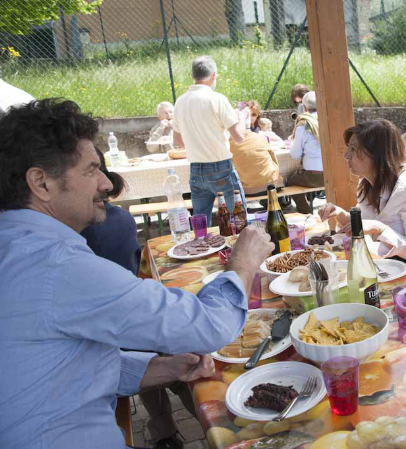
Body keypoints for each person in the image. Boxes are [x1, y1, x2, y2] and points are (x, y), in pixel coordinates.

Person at [0, 98, 275, 449]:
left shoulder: (16, 246)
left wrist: (162, 369)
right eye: (91, 170)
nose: (106, 183)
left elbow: (61, 365)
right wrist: (243, 263)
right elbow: (208, 328)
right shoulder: (54, 264)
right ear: (41, 183)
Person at [81, 150, 194, 449]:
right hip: (126, 332)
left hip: (119, 332)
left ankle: (166, 430)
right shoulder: (117, 220)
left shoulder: (87, 230)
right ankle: (187, 422)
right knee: (167, 358)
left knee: (161, 361)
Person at [318, 119, 406, 267]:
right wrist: (338, 213)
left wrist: (380, 229)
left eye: (353, 148)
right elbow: (362, 226)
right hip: (380, 265)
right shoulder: (366, 184)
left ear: (377, 154)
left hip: (405, 271)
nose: (346, 155)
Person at [173, 55, 250, 225]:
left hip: (196, 169)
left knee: (201, 224)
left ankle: (201, 242)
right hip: (221, 167)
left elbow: (178, 141)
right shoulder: (217, 99)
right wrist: (243, 118)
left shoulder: (180, 102)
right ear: (213, 75)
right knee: (239, 219)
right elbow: (239, 137)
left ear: (193, 75)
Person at [286, 91, 323, 214]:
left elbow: (295, 154)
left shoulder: (304, 124)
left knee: (289, 181)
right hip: (332, 174)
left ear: (304, 107)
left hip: (313, 177)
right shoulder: (328, 119)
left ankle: (305, 210)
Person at [230, 127, 282, 196]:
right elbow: (274, 159)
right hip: (274, 186)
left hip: (248, 190)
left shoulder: (229, 143)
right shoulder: (260, 137)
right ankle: (279, 200)